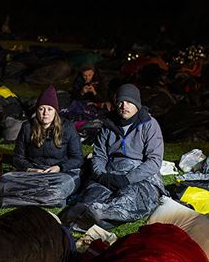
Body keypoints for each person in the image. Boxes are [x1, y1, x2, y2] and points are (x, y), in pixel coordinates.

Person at [62, 84, 165, 228]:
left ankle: (104, 215)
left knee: (132, 197)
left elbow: (154, 161)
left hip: (138, 174)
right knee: (92, 194)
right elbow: (99, 154)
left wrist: (127, 179)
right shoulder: (108, 124)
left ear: (137, 104)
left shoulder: (149, 125)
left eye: (129, 102)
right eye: (121, 102)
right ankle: (87, 214)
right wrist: (101, 175)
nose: (124, 106)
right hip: (111, 171)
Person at [0, 86, 83, 207]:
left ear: (55, 111)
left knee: (66, 184)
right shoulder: (27, 127)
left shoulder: (67, 128)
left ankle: (14, 199)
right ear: (37, 110)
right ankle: (52, 199)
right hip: (34, 173)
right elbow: (17, 158)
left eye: (49, 109)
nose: (45, 113)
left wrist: (59, 167)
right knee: (3, 181)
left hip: (59, 175)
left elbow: (77, 158)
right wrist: (30, 169)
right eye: (42, 109)